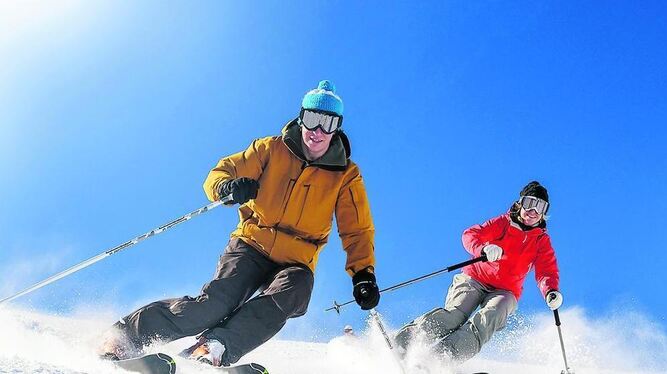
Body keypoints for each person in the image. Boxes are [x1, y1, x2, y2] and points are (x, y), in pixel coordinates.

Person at [99, 80, 380, 367]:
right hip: (251, 244)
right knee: (214, 306)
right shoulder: (271, 149)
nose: (318, 131)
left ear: (337, 128)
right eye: (312, 119)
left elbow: (357, 228)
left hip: (296, 260)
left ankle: (214, 347)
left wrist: (363, 274)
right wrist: (227, 187)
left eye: (328, 123)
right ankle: (125, 337)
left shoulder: (346, 175)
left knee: (296, 289)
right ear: (301, 118)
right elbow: (223, 170)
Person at [394, 181, 562, 362]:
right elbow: (470, 234)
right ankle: (404, 343)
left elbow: (547, 270)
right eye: (530, 203)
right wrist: (483, 249)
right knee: (456, 314)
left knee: (488, 319)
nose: (533, 211)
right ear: (520, 203)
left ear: (545, 213)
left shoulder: (541, 241)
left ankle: (442, 358)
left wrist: (550, 290)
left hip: (505, 291)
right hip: (475, 278)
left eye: (540, 207)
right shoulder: (503, 223)